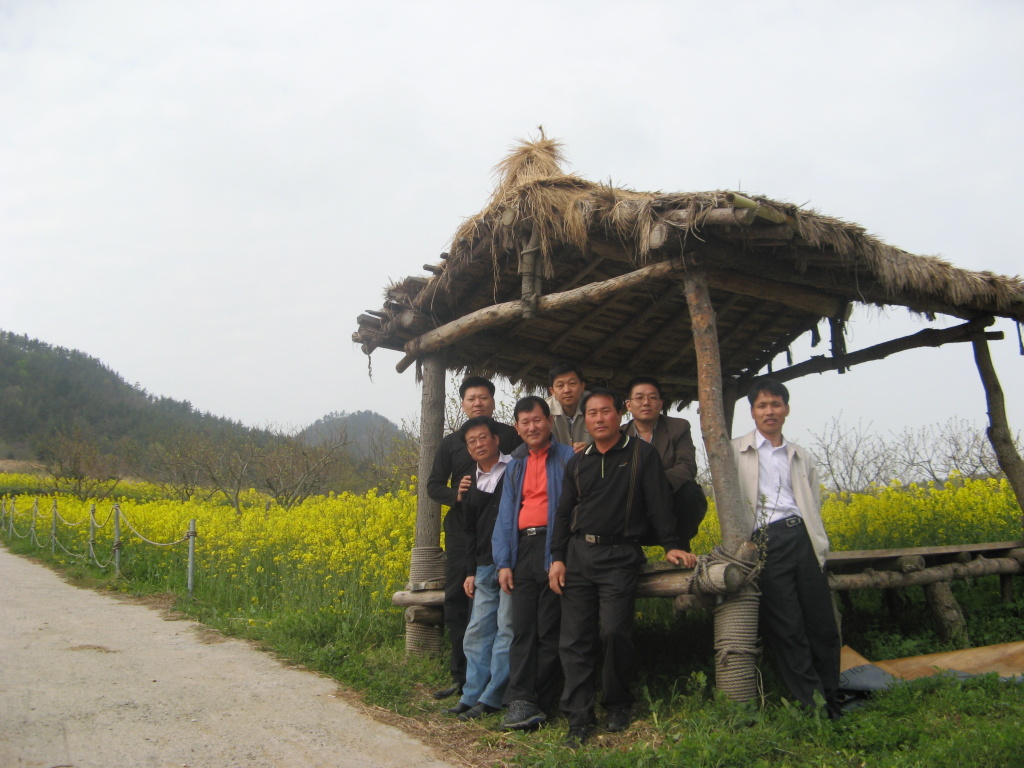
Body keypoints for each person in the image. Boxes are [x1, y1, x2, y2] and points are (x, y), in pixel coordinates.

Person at [549, 389, 697, 747]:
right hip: (580, 554)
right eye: (592, 413)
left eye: (606, 411)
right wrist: (556, 557)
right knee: (575, 639)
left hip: (620, 555)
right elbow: (564, 512)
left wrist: (673, 544)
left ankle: (618, 703)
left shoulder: (640, 454)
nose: (599, 418)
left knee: (614, 633)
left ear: (620, 415)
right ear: (586, 420)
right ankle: (580, 718)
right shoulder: (578, 461)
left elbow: (660, 503)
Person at [731, 378, 841, 717]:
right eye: (762, 406)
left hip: (802, 539)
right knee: (787, 626)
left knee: (822, 624)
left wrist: (817, 544)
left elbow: (813, 504)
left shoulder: (800, 455)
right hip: (765, 542)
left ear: (786, 410)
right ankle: (813, 705)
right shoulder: (736, 451)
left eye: (775, 404)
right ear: (752, 412)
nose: (769, 411)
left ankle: (832, 696)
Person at [426, 376, 521, 700]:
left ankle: (498, 680)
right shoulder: (451, 442)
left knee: (502, 606)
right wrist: (456, 493)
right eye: (471, 398)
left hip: (503, 527)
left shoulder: (509, 435)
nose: (477, 402)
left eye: (483, 397)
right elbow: (433, 485)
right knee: (457, 599)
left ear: (493, 402)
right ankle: (461, 675)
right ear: (463, 404)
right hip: (462, 529)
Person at [491, 396, 575, 731]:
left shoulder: (569, 458)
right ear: (517, 427)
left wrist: (559, 556)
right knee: (522, 628)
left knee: (550, 628)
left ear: (549, 421)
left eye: (537, 420)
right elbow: (506, 515)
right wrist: (504, 563)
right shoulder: (515, 465)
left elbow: (572, 511)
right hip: (523, 548)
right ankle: (522, 700)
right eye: (524, 422)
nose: (531, 427)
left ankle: (542, 699)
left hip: (554, 548)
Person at [447, 417, 514, 720]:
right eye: (471, 441)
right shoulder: (469, 481)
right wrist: (471, 570)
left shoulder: (515, 469)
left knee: (506, 629)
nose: (478, 444)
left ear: (496, 439)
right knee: (477, 631)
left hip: (511, 563)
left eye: (482, 438)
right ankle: (471, 693)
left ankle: (493, 696)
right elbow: (469, 530)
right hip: (485, 566)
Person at [622, 376, 707, 551]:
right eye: (639, 398)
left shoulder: (678, 427)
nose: (646, 403)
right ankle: (629, 553)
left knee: (689, 490)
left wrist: (654, 484)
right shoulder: (619, 434)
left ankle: (680, 549)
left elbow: (687, 466)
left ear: (661, 403)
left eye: (652, 398)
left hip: (671, 500)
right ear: (629, 405)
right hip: (635, 505)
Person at [545, 361, 591, 453]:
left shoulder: (596, 405)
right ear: (552, 391)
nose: (567, 390)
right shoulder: (544, 411)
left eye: (572, 383)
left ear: (582, 386)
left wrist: (592, 449)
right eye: (560, 385)